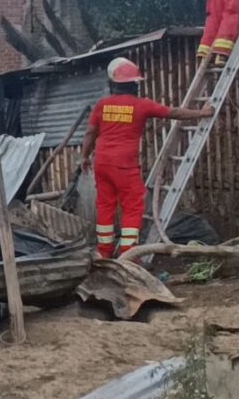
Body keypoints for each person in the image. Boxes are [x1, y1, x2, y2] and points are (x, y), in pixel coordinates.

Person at [80, 59, 214, 258]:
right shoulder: (141, 105)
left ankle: (104, 252)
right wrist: (203, 112)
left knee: (105, 204)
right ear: (135, 84)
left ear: (113, 84)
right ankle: (128, 255)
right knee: (133, 206)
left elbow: (90, 133)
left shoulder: (102, 105)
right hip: (124, 165)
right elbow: (174, 113)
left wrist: (84, 157)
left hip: (101, 162)